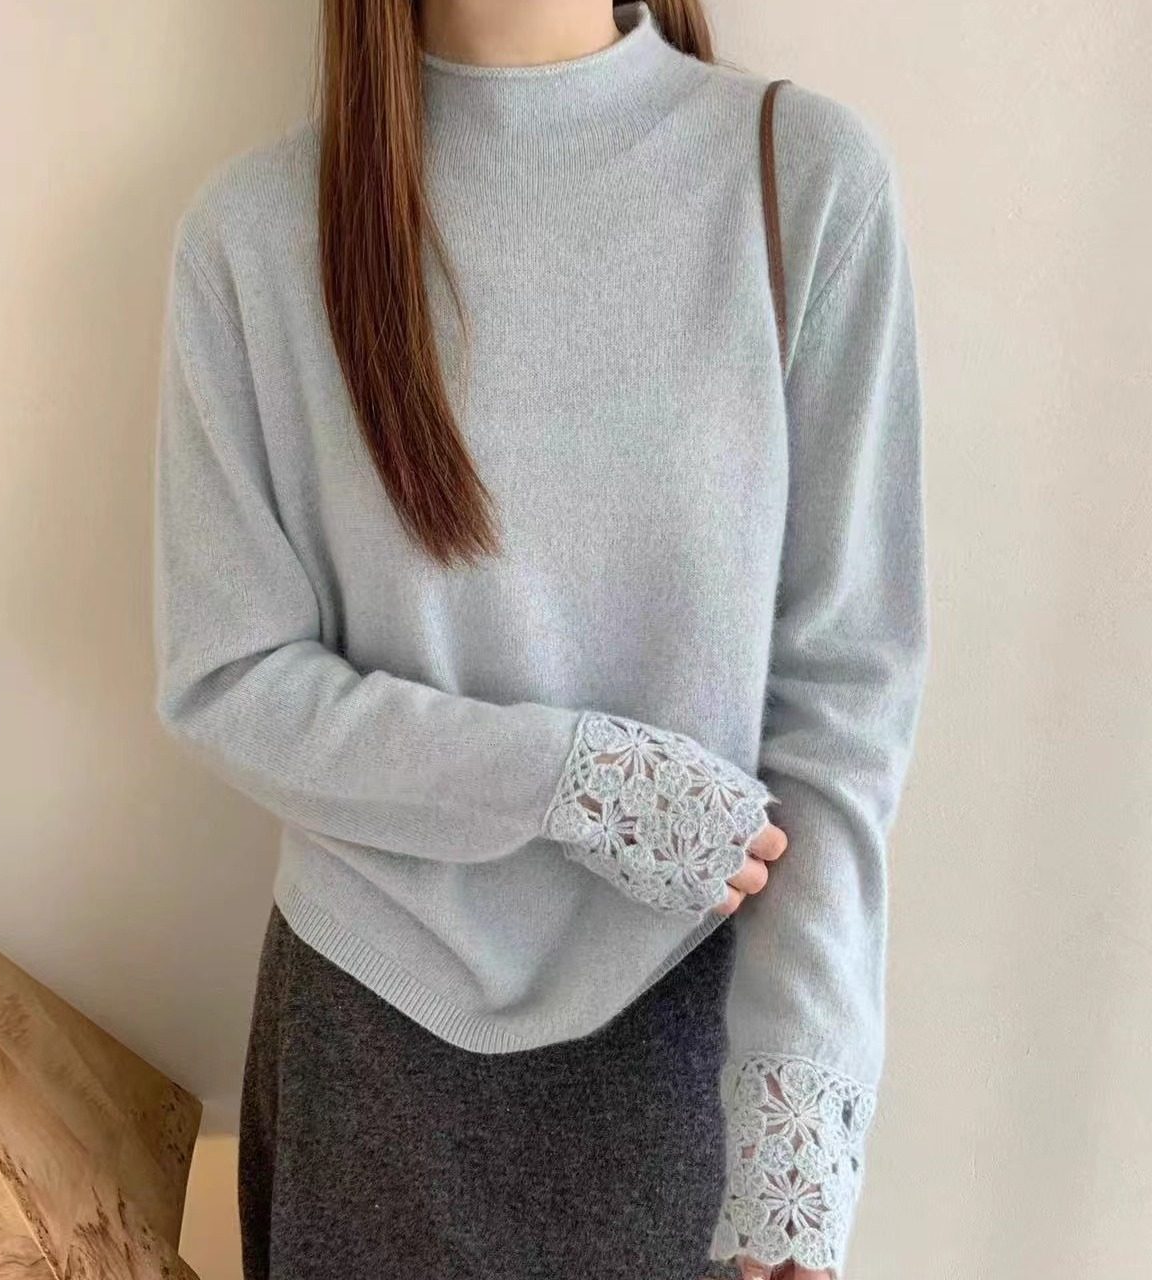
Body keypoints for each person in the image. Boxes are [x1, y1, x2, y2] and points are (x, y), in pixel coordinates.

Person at [151, 1, 929, 1277]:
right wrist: (573, 778)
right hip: (370, 1049)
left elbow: (842, 698)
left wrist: (799, 1116)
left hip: (698, 1042)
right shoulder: (255, 231)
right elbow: (229, 678)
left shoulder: (799, 181)